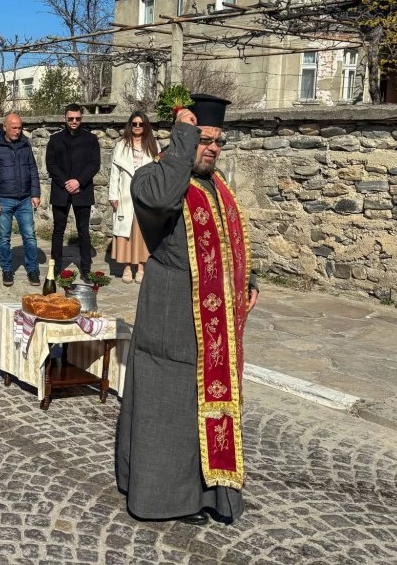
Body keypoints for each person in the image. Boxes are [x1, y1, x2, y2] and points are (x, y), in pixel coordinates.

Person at [116, 94, 259, 526]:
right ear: (181, 138)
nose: (212, 148)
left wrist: (247, 281)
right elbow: (160, 201)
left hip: (214, 327)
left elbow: (228, 242)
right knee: (170, 410)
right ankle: (164, 498)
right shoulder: (151, 178)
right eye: (203, 139)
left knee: (204, 409)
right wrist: (182, 136)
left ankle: (209, 493)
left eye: (218, 141)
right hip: (171, 317)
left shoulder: (217, 188)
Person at [0, 112, 42, 287]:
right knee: (4, 237)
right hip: (3, 199)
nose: (17, 131)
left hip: (24, 199)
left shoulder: (25, 144)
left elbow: (32, 169)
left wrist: (35, 193)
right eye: (14, 128)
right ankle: (7, 270)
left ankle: (32, 269)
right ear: (5, 127)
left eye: (20, 128)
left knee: (30, 236)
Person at [45, 103, 101, 280]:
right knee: (58, 230)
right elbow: (51, 164)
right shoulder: (54, 140)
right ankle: (55, 267)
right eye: (71, 118)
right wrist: (65, 183)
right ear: (65, 118)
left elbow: (94, 164)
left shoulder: (91, 139)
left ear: (81, 118)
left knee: (83, 230)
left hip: (82, 190)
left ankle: (85, 269)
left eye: (77, 118)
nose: (74, 121)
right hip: (61, 190)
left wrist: (79, 181)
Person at [108, 111, 160, 284]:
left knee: (143, 232)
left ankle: (141, 267)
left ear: (146, 126)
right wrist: (113, 195)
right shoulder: (121, 145)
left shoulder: (153, 146)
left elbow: (159, 174)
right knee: (126, 231)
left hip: (146, 196)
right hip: (125, 194)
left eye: (141, 124)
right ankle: (127, 268)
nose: (137, 127)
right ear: (130, 125)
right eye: (134, 124)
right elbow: (114, 173)